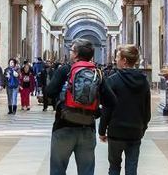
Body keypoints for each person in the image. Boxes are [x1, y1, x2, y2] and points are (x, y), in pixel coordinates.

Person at [45, 38, 116, 175]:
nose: (70, 52)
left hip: (63, 125)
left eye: (71, 50)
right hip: (87, 128)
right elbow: (111, 101)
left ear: (76, 54)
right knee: (86, 171)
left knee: (58, 169)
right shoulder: (97, 72)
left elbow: (50, 92)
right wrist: (96, 110)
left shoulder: (65, 70)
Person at [99, 45, 151, 175]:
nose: (115, 60)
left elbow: (107, 108)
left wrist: (102, 130)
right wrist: (142, 127)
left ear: (124, 60)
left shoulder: (113, 81)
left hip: (116, 132)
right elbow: (147, 110)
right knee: (132, 168)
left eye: (117, 57)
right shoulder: (143, 81)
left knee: (114, 167)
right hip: (135, 131)